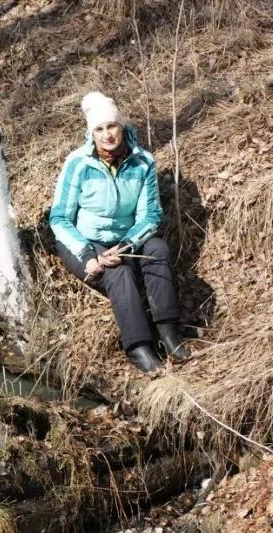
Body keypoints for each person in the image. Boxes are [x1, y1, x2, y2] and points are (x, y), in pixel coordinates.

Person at [49, 91, 190, 373]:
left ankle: (168, 331)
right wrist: (89, 255)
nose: (107, 135)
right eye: (99, 129)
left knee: (158, 251)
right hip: (84, 242)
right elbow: (59, 218)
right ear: (91, 132)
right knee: (117, 273)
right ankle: (139, 346)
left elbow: (151, 215)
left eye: (111, 126)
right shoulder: (78, 164)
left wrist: (126, 246)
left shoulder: (142, 162)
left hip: (127, 238)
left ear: (122, 126)